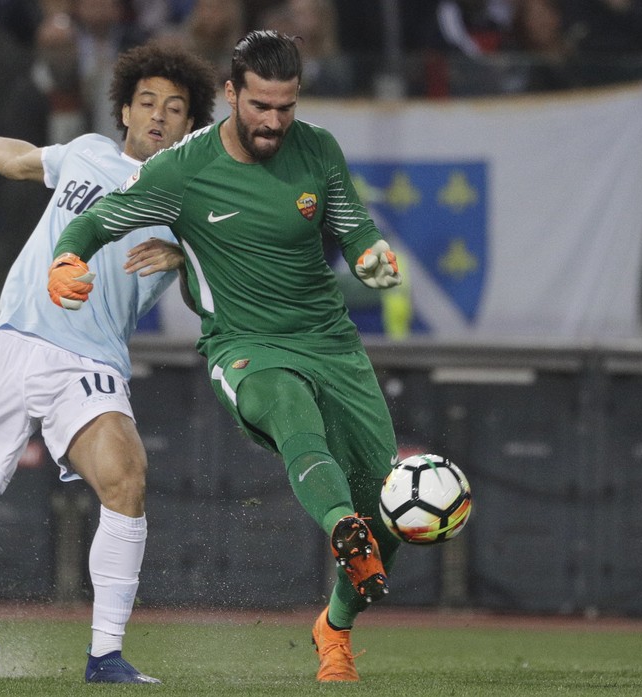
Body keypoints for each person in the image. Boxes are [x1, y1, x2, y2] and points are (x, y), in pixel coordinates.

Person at [48, 30, 403, 683]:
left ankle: (335, 625)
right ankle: (337, 523)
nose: (273, 121)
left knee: (390, 511)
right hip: (242, 345)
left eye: (285, 107)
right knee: (287, 404)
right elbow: (100, 221)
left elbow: (353, 226)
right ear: (232, 93)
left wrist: (371, 258)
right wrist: (64, 258)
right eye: (259, 106)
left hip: (330, 341)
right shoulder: (184, 169)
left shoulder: (318, 149)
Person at [0, 43, 216, 683]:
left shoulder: (190, 201)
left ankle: (106, 656)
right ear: (124, 109)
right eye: (147, 102)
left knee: (125, 478)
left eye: (174, 109)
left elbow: (216, 287)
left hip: (88, 359)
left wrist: (184, 258)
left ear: (190, 126)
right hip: (9, 342)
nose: (158, 116)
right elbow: (19, 160)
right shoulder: (88, 152)